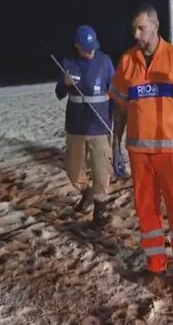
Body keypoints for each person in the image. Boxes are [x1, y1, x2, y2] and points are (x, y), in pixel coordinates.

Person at [109, 3, 173, 282]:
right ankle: (156, 263)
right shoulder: (127, 61)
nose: (136, 34)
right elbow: (120, 108)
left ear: (155, 26)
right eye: (133, 29)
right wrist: (116, 145)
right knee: (146, 210)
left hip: (172, 151)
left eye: (141, 28)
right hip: (139, 153)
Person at [54, 25, 116, 226]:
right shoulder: (69, 63)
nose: (90, 51)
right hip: (76, 126)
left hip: (100, 125)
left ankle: (99, 209)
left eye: (93, 47)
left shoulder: (105, 61)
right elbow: (59, 93)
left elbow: (114, 91)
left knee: (101, 170)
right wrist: (65, 84)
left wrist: (113, 121)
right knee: (73, 171)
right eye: (86, 48)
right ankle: (86, 192)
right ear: (76, 46)